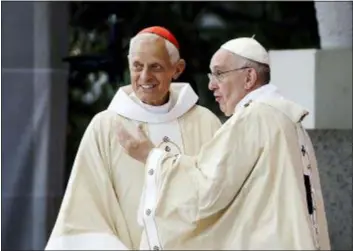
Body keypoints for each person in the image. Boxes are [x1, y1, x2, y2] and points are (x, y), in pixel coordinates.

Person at [117, 37, 331, 250]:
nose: (211, 85)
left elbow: (206, 190)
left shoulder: (253, 118)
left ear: (249, 77)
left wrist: (151, 157)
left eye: (219, 73)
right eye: (211, 75)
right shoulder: (285, 118)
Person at [45, 26, 222, 250]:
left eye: (155, 67)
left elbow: (221, 193)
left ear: (177, 69)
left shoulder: (204, 123)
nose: (145, 77)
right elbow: (86, 206)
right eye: (137, 67)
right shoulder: (107, 126)